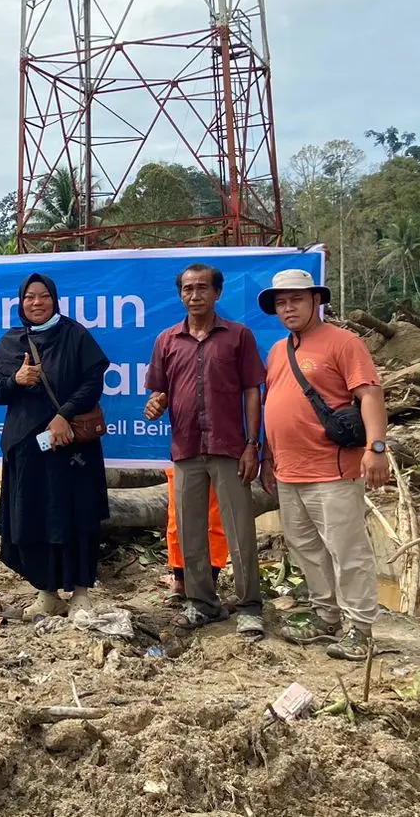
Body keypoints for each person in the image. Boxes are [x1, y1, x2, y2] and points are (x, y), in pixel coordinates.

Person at [258, 268, 391, 661]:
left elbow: (369, 395)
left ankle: (361, 629)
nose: (288, 308)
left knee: (348, 550)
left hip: (332, 469)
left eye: (296, 299)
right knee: (305, 547)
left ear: (316, 300)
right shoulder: (279, 350)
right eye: (281, 303)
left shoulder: (343, 343)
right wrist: (268, 457)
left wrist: (376, 448)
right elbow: (274, 405)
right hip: (288, 470)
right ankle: (327, 615)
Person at [144, 263, 267, 635]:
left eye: (202, 288)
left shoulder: (237, 336)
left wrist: (252, 444)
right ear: (180, 294)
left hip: (230, 447)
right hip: (185, 448)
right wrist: (156, 403)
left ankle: (249, 606)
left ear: (217, 293)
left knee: (239, 529)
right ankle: (203, 603)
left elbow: (252, 390)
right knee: (190, 530)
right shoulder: (167, 340)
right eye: (187, 289)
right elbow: (160, 389)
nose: (194, 295)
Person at [0, 273, 111, 619]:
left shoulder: (75, 336)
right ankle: (47, 592)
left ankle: (81, 593)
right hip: (28, 448)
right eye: (29, 298)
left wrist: (63, 416)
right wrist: (16, 380)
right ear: (20, 302)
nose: (37, 303)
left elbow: (92, 384)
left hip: (71, 447)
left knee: (78, 515)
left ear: (54, 299)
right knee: (34, 517)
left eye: (43, 296)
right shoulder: (12, 342)